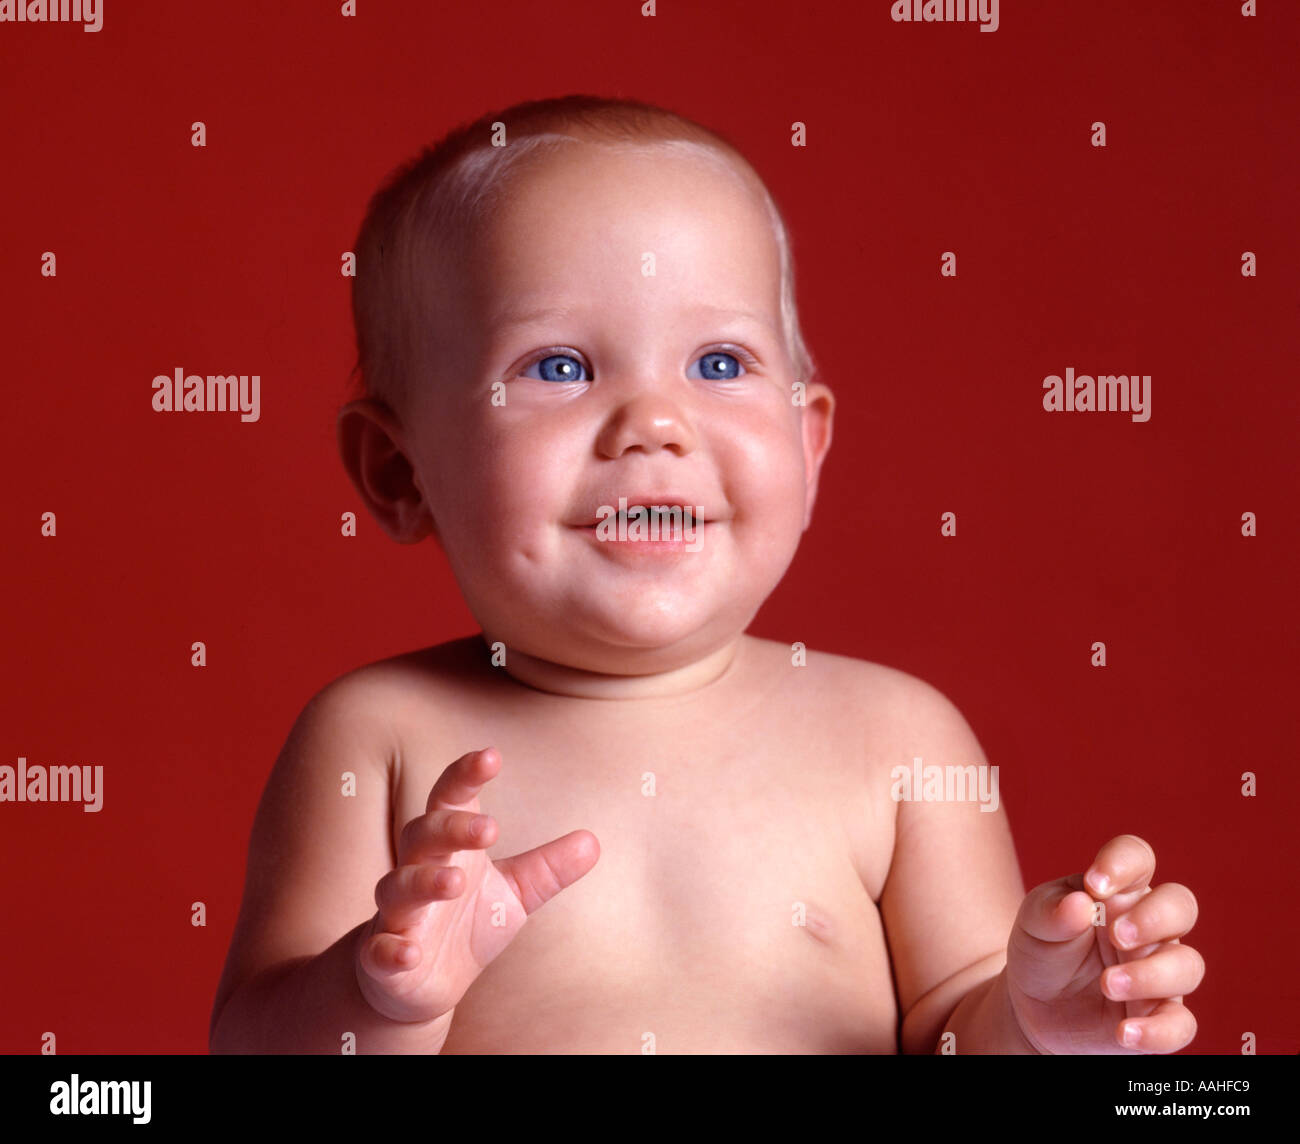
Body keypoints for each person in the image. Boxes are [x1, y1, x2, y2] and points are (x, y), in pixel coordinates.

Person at [209, 94, 1202, 1054]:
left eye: (719, 364)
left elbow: (953, 1025)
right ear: (399, 471)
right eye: (559, 366)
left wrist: (1034, 1023)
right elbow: (252, 1045)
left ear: (807, 449)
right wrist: (375, 998)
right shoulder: (380, 734)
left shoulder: (896, 738)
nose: (654, 422)